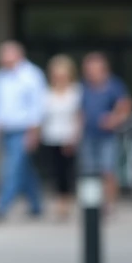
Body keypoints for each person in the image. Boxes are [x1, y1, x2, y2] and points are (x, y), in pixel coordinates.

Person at [0, 40, 46, 222]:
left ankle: (1, 207)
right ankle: (36, 205)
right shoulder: (0, 76)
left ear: (18, 55)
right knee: (24, 169)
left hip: (24, 130)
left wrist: (33, 133)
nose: (2, 61)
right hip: (6, 131)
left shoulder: (32, 75)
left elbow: (37, 106)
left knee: (11, 169)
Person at [77, 52, 132, 214]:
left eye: (93, 67)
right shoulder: (83, 86)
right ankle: (92, 202)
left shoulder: (114, 85)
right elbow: (79, 111)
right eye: (87, 68)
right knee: (89, 170)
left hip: (108, 137)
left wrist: (114, 119)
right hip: (88, 135)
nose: (90, 71)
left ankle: (110, 204)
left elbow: (125, 105)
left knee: (108, 170)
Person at [39, 54, 81, 221]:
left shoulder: (76, 92)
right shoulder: (47, 93)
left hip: (69, 138)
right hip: (51, 138)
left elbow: (79, 116)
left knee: (68, 172)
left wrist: (74, 136)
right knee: (55, 173)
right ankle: (59, 202)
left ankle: (67, 203)